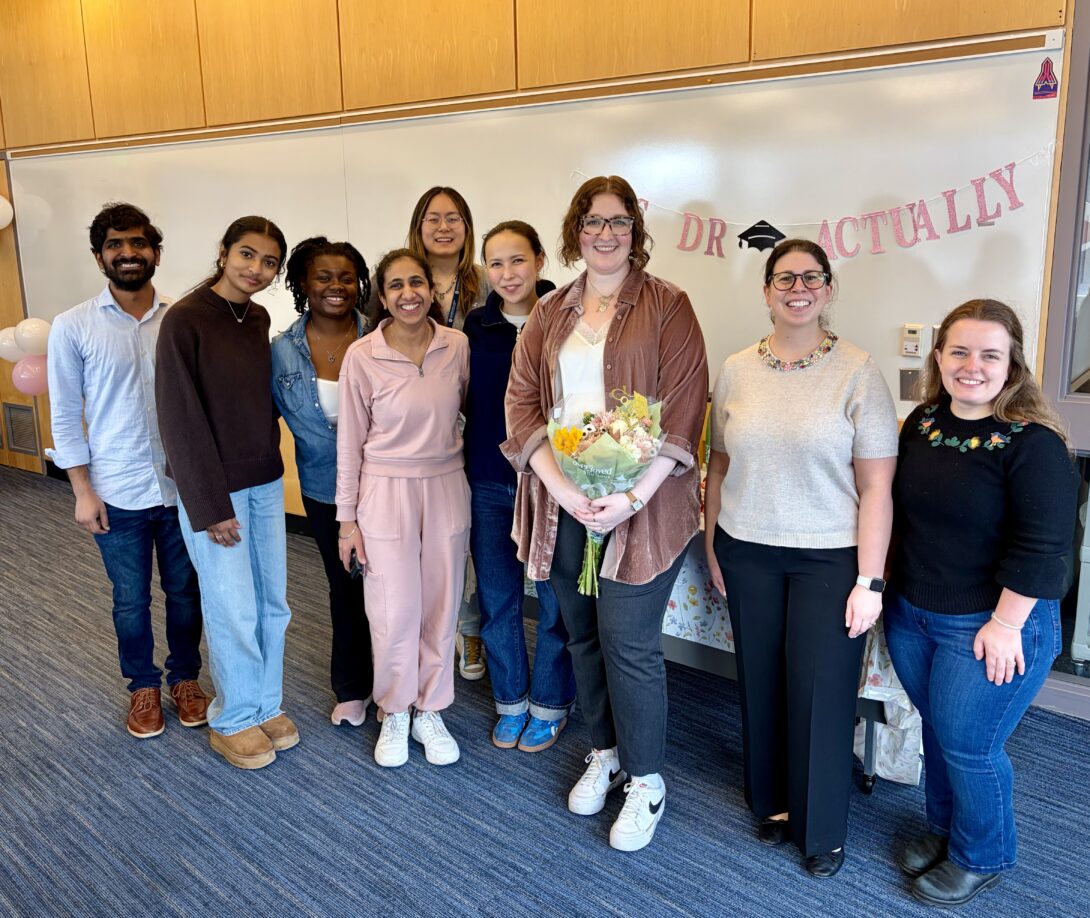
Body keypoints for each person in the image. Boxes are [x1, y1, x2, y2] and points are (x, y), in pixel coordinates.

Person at [503, 176, 708, 851]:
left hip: (644, 506)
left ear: (634, 232)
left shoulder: (669, 305)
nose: (605, 233)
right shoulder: (549, 311)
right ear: (575, 231)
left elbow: (684, 409)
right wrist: (562, 489)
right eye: (593, 221)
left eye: (618, 222)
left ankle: (646, 778)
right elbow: (522, 403)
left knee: (629, 642)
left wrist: (631, 496)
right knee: (581, 634)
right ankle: (606, 751)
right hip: (566, 501)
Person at [705, 237, 898, 878]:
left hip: (830, 557)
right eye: (784, 278)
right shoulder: (736, 368)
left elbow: (877, 488)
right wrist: (711, 542)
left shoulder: (858, 371)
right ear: (766, 291)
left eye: (811, 277)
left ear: (828, 289)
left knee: (821, 689)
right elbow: (718, 464)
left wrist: (870, 579)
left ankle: (821, 831)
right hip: (746, 547)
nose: (798, 289)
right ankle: (771, 801)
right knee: (759, 680)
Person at [884, 299, 1076, 907]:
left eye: (990, 354)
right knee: (939, 730)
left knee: (970, 745)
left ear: (1012, 364)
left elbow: (1044, 548)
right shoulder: (923, 423)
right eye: (959, 351)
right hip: (914, 613)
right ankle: (946, 829)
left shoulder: (1033, 445)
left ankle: (982, 854)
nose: (972, 366)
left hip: (992, 622)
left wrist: (1005, 623)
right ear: (938, 357)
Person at [46, 202, 208, 740]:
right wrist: (81, 490)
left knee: (186, 592)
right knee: (130, 600)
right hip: (116, 490)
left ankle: (185, 678)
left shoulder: (181, 319)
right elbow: (65, 415)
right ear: (100, 258)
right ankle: (142, 684)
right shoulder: (73, 326)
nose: (128, 253)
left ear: (156, 252)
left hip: (180, 488)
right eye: (115, 245)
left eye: (138, 242)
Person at [155, 216, 295, 771]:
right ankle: (233, 717)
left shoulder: (257, 317)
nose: (256, 268)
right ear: (224, 251)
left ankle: (265, 704)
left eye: (269, 262)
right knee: (232, 606)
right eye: (247, 254)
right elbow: (179, 419)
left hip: (265, 482)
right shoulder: (184, 319)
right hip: (215, 491)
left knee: (272, 603)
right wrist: (209, 505)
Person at [336, 248, 471, 769]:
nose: (408, 293)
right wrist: (347, 521)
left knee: (441, 604)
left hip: (445, 485)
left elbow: (468, 412)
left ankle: (430, 709)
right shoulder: (362, 355)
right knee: (393, 609)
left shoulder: (456, 345)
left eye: (417, 282)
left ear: (432, 291)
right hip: (384, 490)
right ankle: (394, 708)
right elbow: (349, 443)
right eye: (396, 285)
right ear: (382, 295)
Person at [463, 220, 576, 752]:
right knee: (497, 597)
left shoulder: (566, 318)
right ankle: (510, 699)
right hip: (489, 480)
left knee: (555, 601)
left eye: (518, 260)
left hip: (552, 483)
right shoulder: (474, 326)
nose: (508, 273)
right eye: (496, 263)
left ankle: (551, 703)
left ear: (539, 262)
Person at [272, 237, 374, 727]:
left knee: (391, 587)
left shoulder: (382, 337)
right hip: (323, 491)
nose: (336, 286)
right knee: (344, 587)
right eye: (324, 277)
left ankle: (397, 687)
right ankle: (353, 688)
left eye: (346, 278)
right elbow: (258, 422)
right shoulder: (280, 352)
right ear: (303, 283)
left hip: (384, 488)